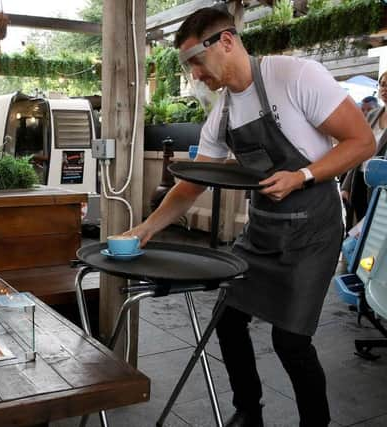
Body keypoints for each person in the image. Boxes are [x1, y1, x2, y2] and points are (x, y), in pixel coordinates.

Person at [126, 7, 375, 427]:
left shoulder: (295, 76)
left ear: (225, 41)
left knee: (291, 341)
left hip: (312, 230)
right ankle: (248, 411)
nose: (195, 76)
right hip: (262, 230)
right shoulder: (221, 115)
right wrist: (146, 228)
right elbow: (192, 184)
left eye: (196, 64)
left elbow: (362, 141)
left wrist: (302, 175)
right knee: (228, 320)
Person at [342, 74, 387, 227]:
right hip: (360, 179)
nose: (384, 89)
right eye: (382, 84)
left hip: (382, 184)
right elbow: (359, 150)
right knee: (358, 228)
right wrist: (346, 186)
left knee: (376, 232)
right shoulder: (373, 114)